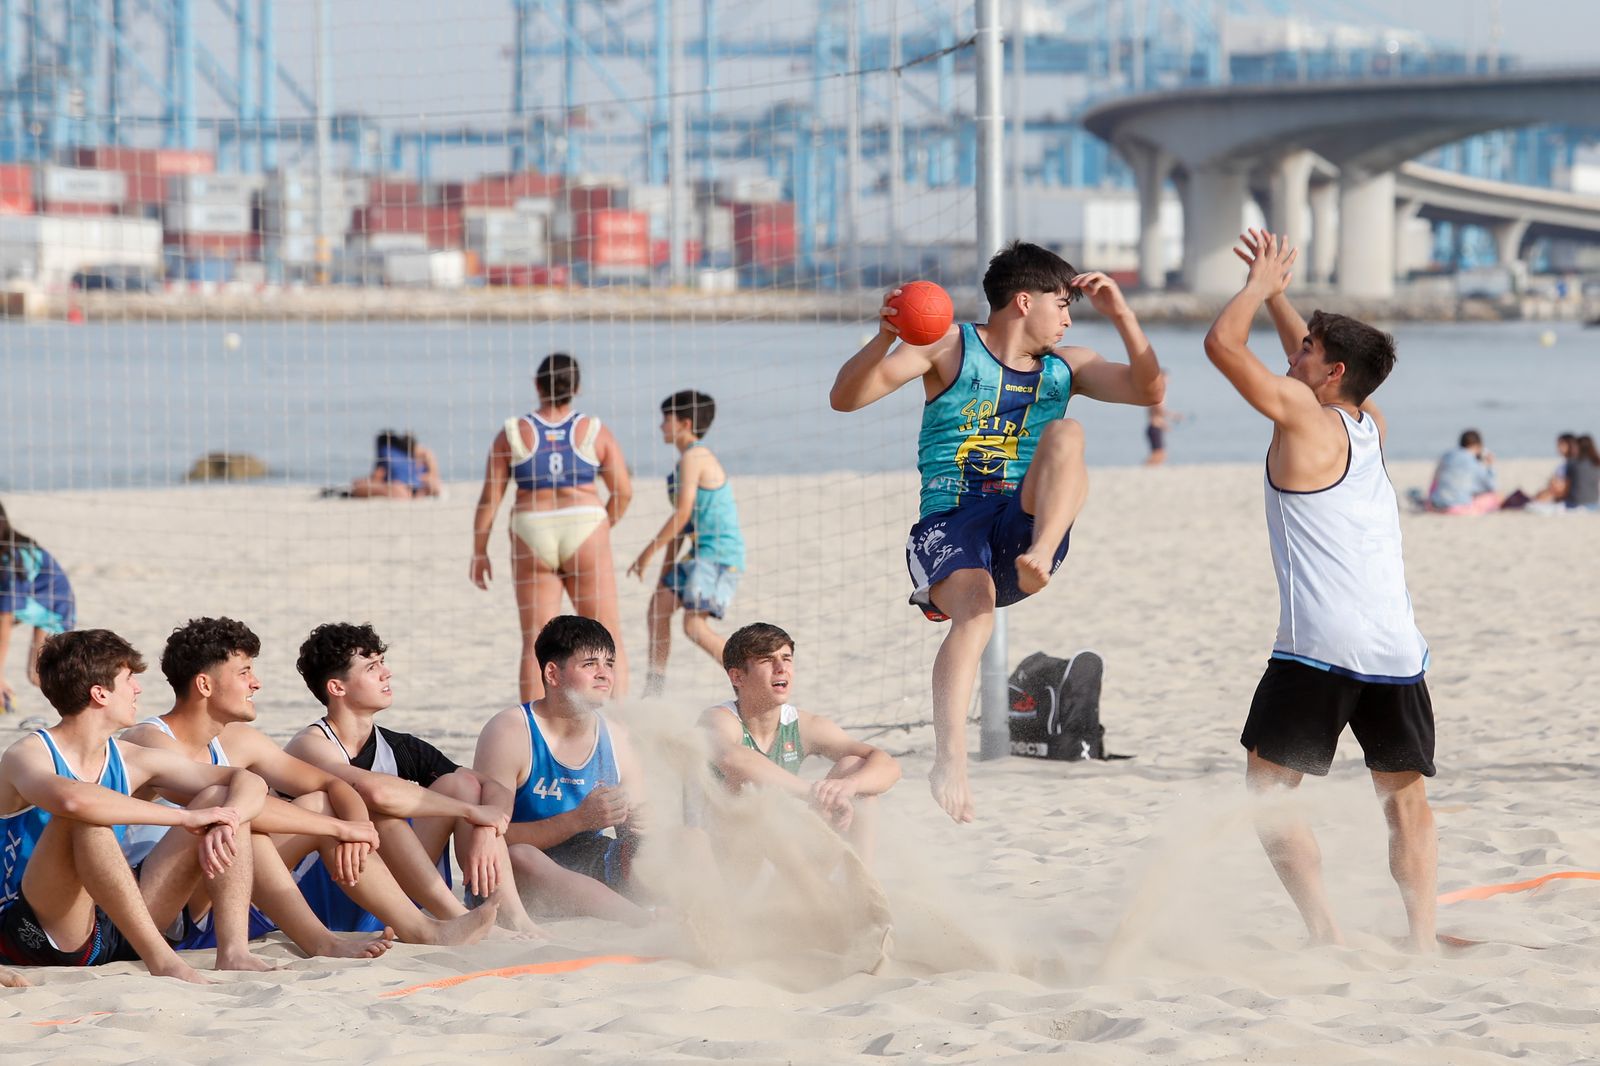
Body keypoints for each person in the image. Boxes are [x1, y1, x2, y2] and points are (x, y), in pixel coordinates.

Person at [829, 242, 1163, 823]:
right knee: (977, 609)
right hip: (952, 520)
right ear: (1023, 301)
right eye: (1062, 305)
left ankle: (1039, 553)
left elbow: (1149, 390)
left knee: (1068, 435)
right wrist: (888, 337)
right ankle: (950, 758)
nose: (1066, 319)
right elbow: (844, 399)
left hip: (1023, 523)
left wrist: (1123, 316)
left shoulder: (1069, 367)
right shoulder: (949, 346)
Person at [1204, 229, 1436, 952]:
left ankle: (1326, 935)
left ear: (1331, 374)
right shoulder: (1370, 423)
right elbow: (1309, 361)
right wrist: (1279, 295)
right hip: (1398, 648)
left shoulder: (1302, 416)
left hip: (1320, 647)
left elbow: (1221, 347)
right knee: (1404, 801)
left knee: (1268, 795)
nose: (1292, 353)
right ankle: (1422, 943)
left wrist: (1251, 289)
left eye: (1304, 350)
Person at [122, 616, 492, 953]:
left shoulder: (241, 741)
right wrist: (336, 827)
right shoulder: (151, 741)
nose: (257, 682)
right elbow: (230, 808)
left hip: (217, 898)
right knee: (229, 811)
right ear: (204, 684)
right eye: (244, 672)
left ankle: (423, 928)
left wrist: (356, 828)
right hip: (152, 906)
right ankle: (323, 940)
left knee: (319, 802)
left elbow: (335, 785)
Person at [0, 629, 275, 980]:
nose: (138, 689)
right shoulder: (27, 754)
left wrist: (228, 817)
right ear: (100, 693)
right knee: (83, 819)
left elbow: (246, 780)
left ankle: (234, 952)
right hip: (37, 930)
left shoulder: (129, 757)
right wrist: (184, 817)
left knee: (220, 799)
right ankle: (165, 962)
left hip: (118, 924)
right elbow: (73, 799)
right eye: (129, 679)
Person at [284, 622, 540, 935]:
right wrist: (470, 812)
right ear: (337, 688)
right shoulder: (309, 744)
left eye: (382, 662)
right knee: (379, 811)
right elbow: (372, 791)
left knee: (462, 786)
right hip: (327, 895)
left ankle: (513, 921)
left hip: (392, 897)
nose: (386, 673)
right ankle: (455, 916)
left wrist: (487, 827)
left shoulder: (399, 746)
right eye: (371, 667)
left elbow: (493, 787)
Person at [472, 352, 633, 701]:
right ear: (576, 387)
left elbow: (490, 499)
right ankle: (619, 726)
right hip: (585, 524)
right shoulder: (593, 429)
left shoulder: (515, 432)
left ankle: (532, 731)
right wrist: (604, 525)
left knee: (536, 639)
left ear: (537, 384)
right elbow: (622, 490)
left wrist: (479, 550)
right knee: (607, 635)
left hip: (532, 528)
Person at [473, 615, 651, 924]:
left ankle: (719, 921)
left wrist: (642, 823)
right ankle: (649, 925)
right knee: (521, 857)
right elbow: (490, 837)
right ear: (552, 674)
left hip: (596, 868)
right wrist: (577, 820)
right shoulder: (511, 731)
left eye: (609, 664)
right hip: (523, 880)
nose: (604, 675)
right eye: (590, 664)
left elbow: (635, 836)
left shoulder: (617, 736)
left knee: (688, 840)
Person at [698, 623, 901, 861]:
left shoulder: (806, 724)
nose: (781, 668)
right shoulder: (718, 719)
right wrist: (811, 792)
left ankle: (861, 886)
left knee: (854, 767)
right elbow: (733, 758)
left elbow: (889, 766)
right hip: (727, 858)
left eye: (786, 658)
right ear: (737, 676)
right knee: (743, 803)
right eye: (766, 660)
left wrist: (850, 786)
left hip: (783, 857)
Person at [627, 391, 746, 696]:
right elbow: (683, 524)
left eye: (666, 419)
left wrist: (646, 553)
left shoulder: (696, 457)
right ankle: (654, 689)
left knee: (693, 626)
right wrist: (664, 570)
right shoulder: (684, 462)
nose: (660, 426)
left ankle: (747, 678)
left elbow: (681, 515)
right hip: (698, 553)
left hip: (718, 555)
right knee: (658, 607)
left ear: (684, 423)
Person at [0, 500, 76, 715]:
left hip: (54, 606)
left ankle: (89, 695)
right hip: (32, 601)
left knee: (38, 675)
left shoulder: (10, 558)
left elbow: (4, 618)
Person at [347, 430, 441, 499]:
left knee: (357, 485)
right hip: (415, 487)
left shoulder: (387, 452)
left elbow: (377, 476)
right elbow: (434, 477)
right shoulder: (424, 455)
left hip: (399, 488)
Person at [1426, 430, 1499, 514]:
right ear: (1478, 446)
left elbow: (1435, 479)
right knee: (1494, 498)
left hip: (1435, 503)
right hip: (1457, 506)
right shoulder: (1473, 462)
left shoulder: (1447, 455)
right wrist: (1490, 466)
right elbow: (1491, 487)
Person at [1144, 374, 1181, 466]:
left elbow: (1157, 414)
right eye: (1165, 379)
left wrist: (1165, 425)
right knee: (1159, 454)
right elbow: (1159, 411)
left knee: (1160, 454)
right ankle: (1145, 469)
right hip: (1154, 427)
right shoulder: (1157, 394)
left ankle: (1146, 470)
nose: (1167, 382)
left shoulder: (1156, 393)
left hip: (1155, 427)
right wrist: (1174, 415)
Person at [1565, 434, 1600, 511]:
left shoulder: (1572, 463)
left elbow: (1566, 485)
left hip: (1575, 503)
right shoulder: (1596, 463)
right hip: (1594, 503)